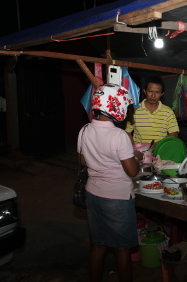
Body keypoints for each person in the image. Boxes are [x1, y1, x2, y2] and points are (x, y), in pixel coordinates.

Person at [77, 84, 142, 282]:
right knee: (122, 249)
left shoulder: (85, 130)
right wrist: (137, 157)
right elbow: (132, 170)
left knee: (99, 244)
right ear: (117, 107)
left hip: (93, 195)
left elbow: (83, 161)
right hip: (117, 198)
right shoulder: (119, 135)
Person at [125, 77, 179, 147]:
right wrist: (134, 148)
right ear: (145, 91)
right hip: (140, 154)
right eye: (150, 91)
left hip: (160, 152)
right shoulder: (135, 110)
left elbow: (174, 134)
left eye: (157, 92)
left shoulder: (168, 112)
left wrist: (159, 144)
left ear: (162, 94)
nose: (153, 95)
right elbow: (128, 132)